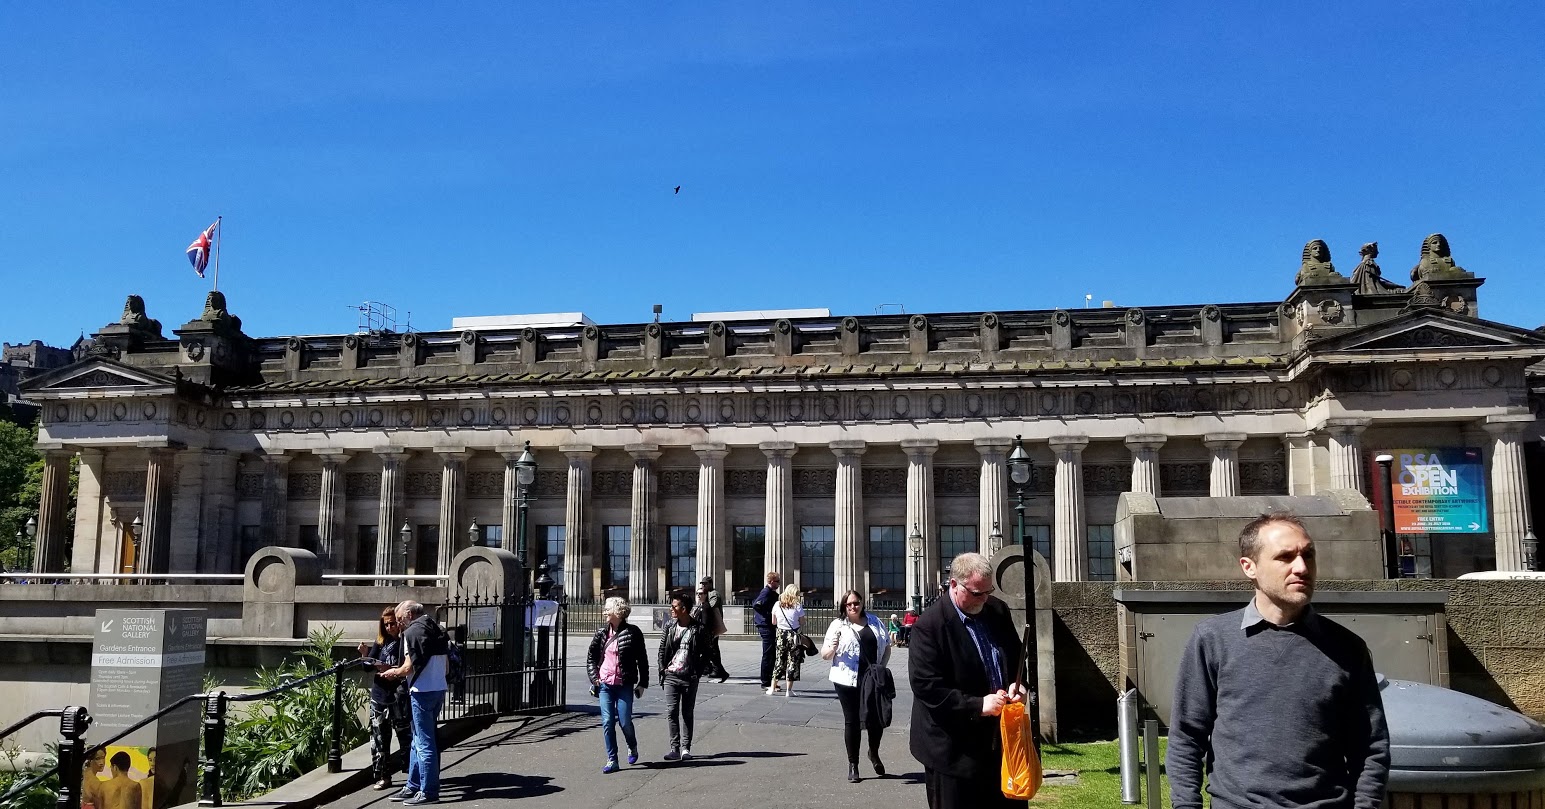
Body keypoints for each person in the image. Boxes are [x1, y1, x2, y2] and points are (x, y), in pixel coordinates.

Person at [1166, 513, 1390, 809]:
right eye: (1285, 557)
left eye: (1308, 555)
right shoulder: (1212, 640)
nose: (1302, 567)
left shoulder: (1347, 648)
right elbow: (1186, 737)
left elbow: (1371, 748)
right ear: (1250, 567)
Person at [909, 552, 1026, 808]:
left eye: (988, 591)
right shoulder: (929, 626)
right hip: (952, 751)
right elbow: (926, 686)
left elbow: (1016, 656)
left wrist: (1018, 683)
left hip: (999, 743)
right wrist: (977, 705)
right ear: (954, 585)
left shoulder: (996, 609)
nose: (983, 599)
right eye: (976, 593)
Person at [821, 588, 892, 784]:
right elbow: (825, 655)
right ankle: (853, 764)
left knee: (876, 719)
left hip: (872, 678)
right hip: (846, 679)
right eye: (849, 604)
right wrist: (833, 648)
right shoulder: (838, 625)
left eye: (856, 602)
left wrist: (880, 668)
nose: (853, 606)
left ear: (862, 603)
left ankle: (874, 753)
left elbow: (887, 646)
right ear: (844, 606)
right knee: (852, 721)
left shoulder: (875, 621)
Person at [383, 600, 449, 806]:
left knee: (423, 741)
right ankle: (412, 784)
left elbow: (407, 668)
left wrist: (393, 672)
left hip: (421, 690)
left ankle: (428, 790)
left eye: (400, 618)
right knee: (418, 740)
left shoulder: (412, 633)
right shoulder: (437, 628)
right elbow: (446, 664)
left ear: (410, 614)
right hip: (438, 687)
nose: (399, 623)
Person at [586, 596, 649, 774]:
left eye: (608, 609)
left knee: (625, 722)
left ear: (618, 612)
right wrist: (594, 678)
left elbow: (642, 660)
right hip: (605, 684)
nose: (604, 611)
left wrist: (642, 683)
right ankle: (612, 759)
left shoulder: (633, 633)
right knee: (607, 721)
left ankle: (632, 746)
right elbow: (591, 657)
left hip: (624, 684)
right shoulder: (601, 633)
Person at [358, 606, 412, 790]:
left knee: (405, 736)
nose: (389, 628)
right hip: (380, 695)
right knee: (379, 738)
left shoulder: (405, 640)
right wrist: (365, 656)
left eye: (392, 624)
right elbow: (367, 666)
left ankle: (411, 775)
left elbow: (409, 666)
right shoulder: (381, 641)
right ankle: (383, 776)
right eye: (386, 624)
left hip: (398, 695)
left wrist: (393, 670)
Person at [658, 590, 710, 761]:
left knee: (687, 712)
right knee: (672, 711)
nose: (671, 608)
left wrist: (697, 672)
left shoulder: (698, 629)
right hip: (671, 675)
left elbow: (706, 653)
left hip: (689, 676)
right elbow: (662, 651)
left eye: (674, 606)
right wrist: (662, 670)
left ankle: (685, 748)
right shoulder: (669, 627)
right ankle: (674, 747)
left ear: (684, 608)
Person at [768, 583, 805, 696]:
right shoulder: (797, 605)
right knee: (792, 662)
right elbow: (802, 622)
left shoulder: (777, 604)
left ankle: (772, 688)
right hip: (794, 635)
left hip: (780, 634)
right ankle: (789, 690)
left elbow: (773, 622)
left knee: (779, 660)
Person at [693, 576, 730, 682]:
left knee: (712, 649)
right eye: (702, 584)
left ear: (710, 584)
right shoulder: (706, 598)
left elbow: (711, 607)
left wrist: (704, 603)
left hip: (712, 626)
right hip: (708, 627)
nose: (703, 586)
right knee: (709, 649)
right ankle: (710, 668)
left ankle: (718, 670)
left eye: (705, 584)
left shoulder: (714, 595)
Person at [751, 571, 781, 689]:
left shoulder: (771, 593)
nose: (779, 584)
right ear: (772, 581)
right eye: (777, 581)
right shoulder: (766, 592)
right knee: (768, 654)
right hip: (765, 626)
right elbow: (756, 605)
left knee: (771, 653)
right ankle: (765, 681)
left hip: (768, 625)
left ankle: (770, 680)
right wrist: (768, 615)